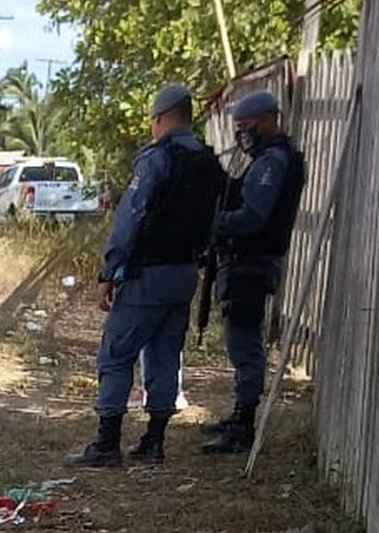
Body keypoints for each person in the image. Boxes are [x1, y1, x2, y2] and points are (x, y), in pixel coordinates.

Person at [67, 84, 224, 467]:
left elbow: (129, 220)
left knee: (117, 353)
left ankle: (107, 444)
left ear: (159, 118)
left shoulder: (156, 160)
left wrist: (108, 271)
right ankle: (154, 441)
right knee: (165, 354)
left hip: (147, 274)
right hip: (186, 273)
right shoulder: (208, 162)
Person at [201, 89, 306, 454]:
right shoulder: (269, 158)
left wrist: (213, 222)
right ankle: (239, 415)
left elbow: (254, 217)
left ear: (268, 120)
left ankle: (243, 425)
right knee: (241, 341)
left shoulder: (272, 162)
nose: (241, 134)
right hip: (247, 263)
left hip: (252, 264)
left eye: (246, 126)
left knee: (245, 345)